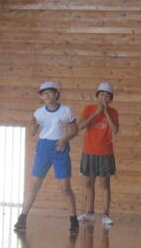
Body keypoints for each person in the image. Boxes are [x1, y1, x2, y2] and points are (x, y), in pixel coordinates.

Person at [14, 82, 80, 233]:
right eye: (45, 93)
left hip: (60, 148)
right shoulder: (39, 113)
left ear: (56, 94)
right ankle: (22, 218)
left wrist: (65, 139)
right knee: (34, 185)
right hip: (43, 148)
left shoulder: (66, 110)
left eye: (51, 92)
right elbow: (32, 133)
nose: (48, 95)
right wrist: (32, 125)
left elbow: (75, 130)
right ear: (41, 96)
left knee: (65, 187)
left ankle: (73, 219)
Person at [77, 82, 119, 227]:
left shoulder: (113, 112)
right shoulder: (88, 109)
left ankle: (106, 215)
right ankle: (89, 213)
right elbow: (80, 126)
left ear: (110, 99)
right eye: (101, 95)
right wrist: (95, 113)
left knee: (104, 184)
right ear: (97, 96)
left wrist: (106, 113)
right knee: (89, 183)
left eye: (107, 96)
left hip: (105, 152)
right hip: (89, 151)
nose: (104, 98)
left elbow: (115, 130)